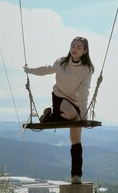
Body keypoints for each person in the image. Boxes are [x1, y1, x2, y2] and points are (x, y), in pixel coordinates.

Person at [24, 36, 94, 184]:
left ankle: (76, 176)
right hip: (59, 97)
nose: (74, 49)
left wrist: (83, 115)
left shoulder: (87, 69)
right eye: (73, 45)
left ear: (85, 51)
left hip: (75, 103)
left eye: (79, 47)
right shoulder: (62, 62)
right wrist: (29, 70)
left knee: (76, 138)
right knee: (70, 115)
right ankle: (52, 113)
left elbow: (84, 92)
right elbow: (47, 69)